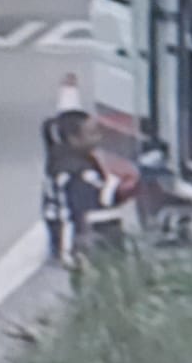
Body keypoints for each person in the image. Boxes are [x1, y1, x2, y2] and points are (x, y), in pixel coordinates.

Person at [42, 109, 138, 270]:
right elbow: (99, 199)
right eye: (92, 134)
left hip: (65, 238)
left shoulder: (61, 161)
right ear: (74, 139)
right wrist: (124, 183)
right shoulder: (76, 172)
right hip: (73, 242)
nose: (98, 138)